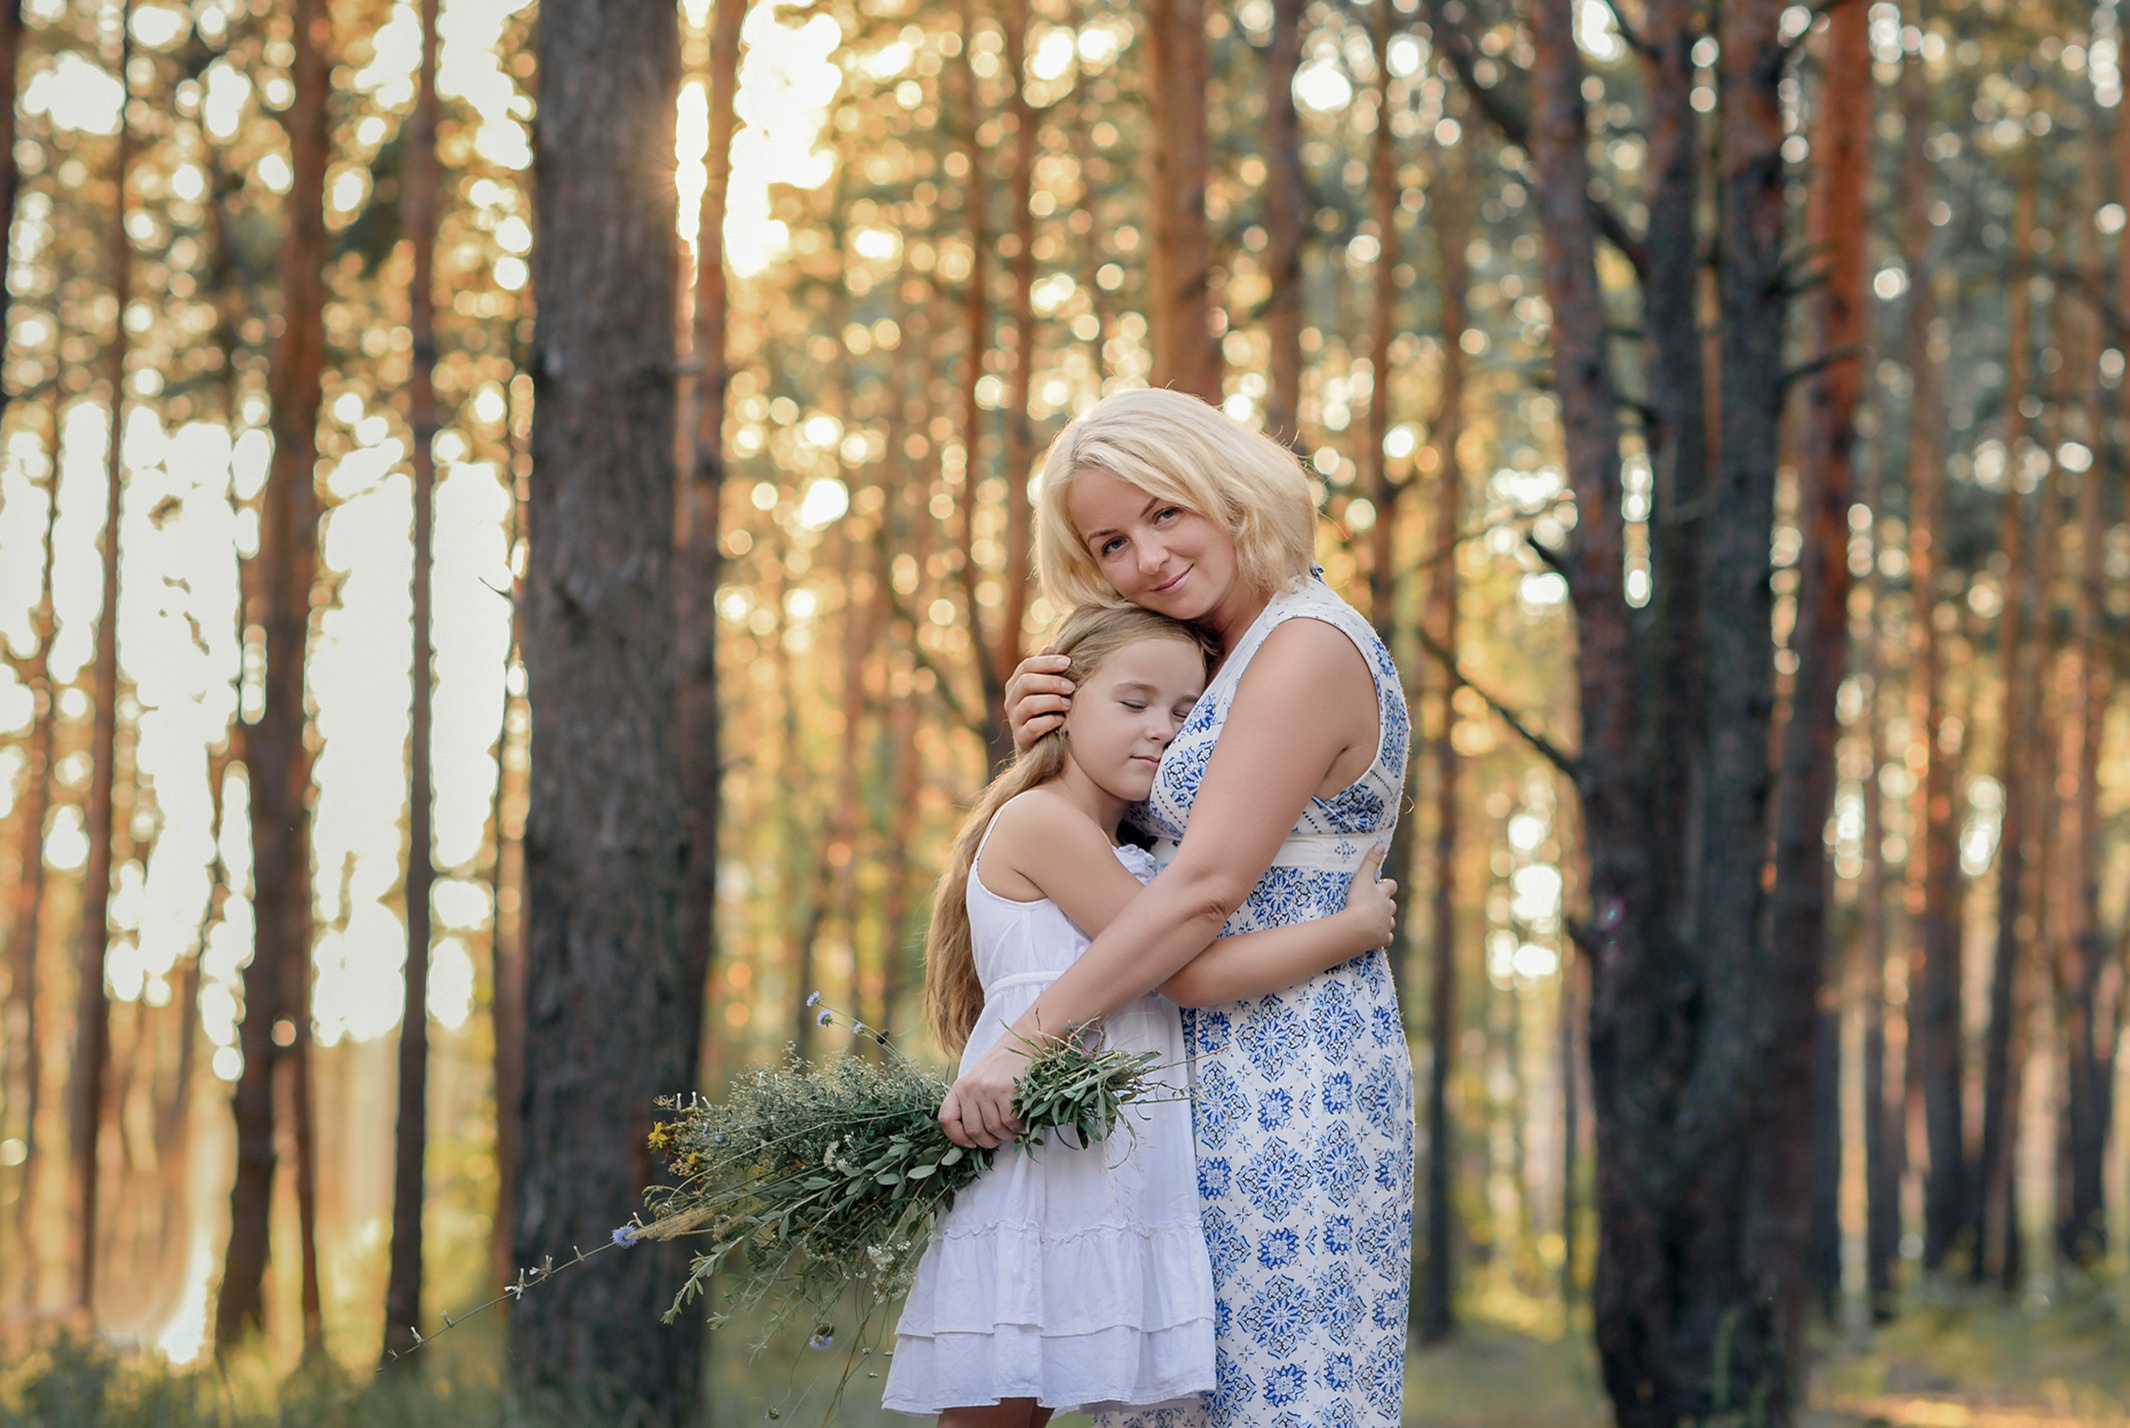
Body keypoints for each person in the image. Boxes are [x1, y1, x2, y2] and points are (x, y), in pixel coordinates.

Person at [939, 387, 1414, 1427]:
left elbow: (1202, 890)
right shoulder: (1226, 657)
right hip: (1186, 1068)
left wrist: (1028, 1040)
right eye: (1111, 541)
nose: (1146, 558)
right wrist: (1051, 738)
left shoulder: (1301, 649)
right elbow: (1134, 860)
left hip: (1287, 1071)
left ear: (1229, 489)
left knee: (1281, 1396)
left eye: (1167, 513)